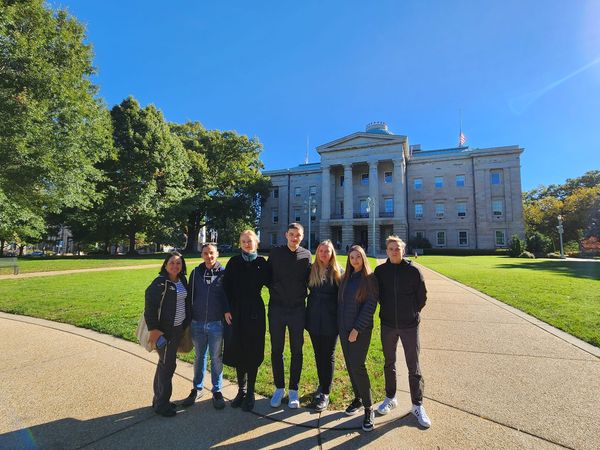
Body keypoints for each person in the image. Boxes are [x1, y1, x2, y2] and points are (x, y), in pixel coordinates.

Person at [374, 236, 431, 428]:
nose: (394, 251)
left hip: (409, 325)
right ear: (387, 250)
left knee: (413, 365)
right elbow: (378, 295)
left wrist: (411, 312)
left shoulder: (413, 271)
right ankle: (390, 397)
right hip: (388, 324)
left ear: (403, 250)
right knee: (389, 363)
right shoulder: (380, 271)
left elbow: (422, 298)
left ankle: (417, 404)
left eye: (397, 248)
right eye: (390, 248)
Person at [223, 230, 270, 412]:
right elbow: (225, 287)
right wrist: (226, 309)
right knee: (238, 348)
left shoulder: (261, 263)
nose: (246, 244)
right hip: (236, 310)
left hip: (255, 311)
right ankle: (241, 390)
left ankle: (250, 392)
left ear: (256, 242)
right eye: (243, 241)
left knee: (253, 350)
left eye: (249, 241)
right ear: (240, 243)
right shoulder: (234, 262)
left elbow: (274, 282)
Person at [181, 243, 231, 410]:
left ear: (217, 254)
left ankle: (217, 391)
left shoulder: (224, 274)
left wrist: (227, 311)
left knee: (216, 358)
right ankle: (197, 388)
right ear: (201, 255)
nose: (208, 256)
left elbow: (227, 297)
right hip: (197, 322)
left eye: (211, 253)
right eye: (205, 253)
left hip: (216, 323)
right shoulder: (196, 273)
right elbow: (189, 297)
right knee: (199, 357)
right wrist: (188, 318)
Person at [267, 223, 311, 408]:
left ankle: (293, 389)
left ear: (302, 236)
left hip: (297, 309)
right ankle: (279, 388)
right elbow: (267, 277)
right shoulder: (276, 253)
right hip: (277, 308)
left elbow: (310, 278)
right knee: (277, 349)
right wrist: (277, 290)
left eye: (298, 235)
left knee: (296, 350)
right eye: (291, 234)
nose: (294, 238)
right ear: (286, 235)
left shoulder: (306, 255)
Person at [144, 251, 192, 417]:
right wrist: (154, 331)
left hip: (178, 329)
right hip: (164, 332)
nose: (175, 266)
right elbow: (149, 308)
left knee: (164, 364)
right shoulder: (160, 283)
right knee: (168, 366)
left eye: (178, 263)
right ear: (165, 265)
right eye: (171, 262)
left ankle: (159, 399)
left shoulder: (181, 280)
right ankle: (161, 405)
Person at [338, 245, 378, 432]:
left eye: (358, 257)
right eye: (352, 257)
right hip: (344, 330)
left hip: (359, 331)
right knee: (350, 366)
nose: (355, 260)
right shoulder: (346, 277)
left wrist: (356, 329)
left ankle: (369, 409)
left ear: (363, 258)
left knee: (358, 366)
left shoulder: (369, 279)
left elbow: (370, 306)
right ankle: (358, 398)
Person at [305, 240, 342, 412]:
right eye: (320, 251)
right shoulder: (311, 270)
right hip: (313, 320)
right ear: (317, 252)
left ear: (332, 253)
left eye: (327, 251)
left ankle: (326, 393)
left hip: (331, 321)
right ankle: (322, 384)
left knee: (328, 355)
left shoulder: (338, 272)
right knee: (318, 355)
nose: (323, 254)